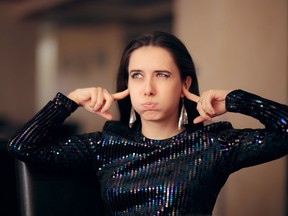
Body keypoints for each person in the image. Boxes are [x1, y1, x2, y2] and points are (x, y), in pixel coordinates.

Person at [8, 31, 288, 215]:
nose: (148, 89)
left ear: (184, 84)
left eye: (162, 75)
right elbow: (23, 146)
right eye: (137, 75)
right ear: (127, 83)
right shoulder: (105, 144)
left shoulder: (213, 145)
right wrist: (69, 101)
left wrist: (237, 100)